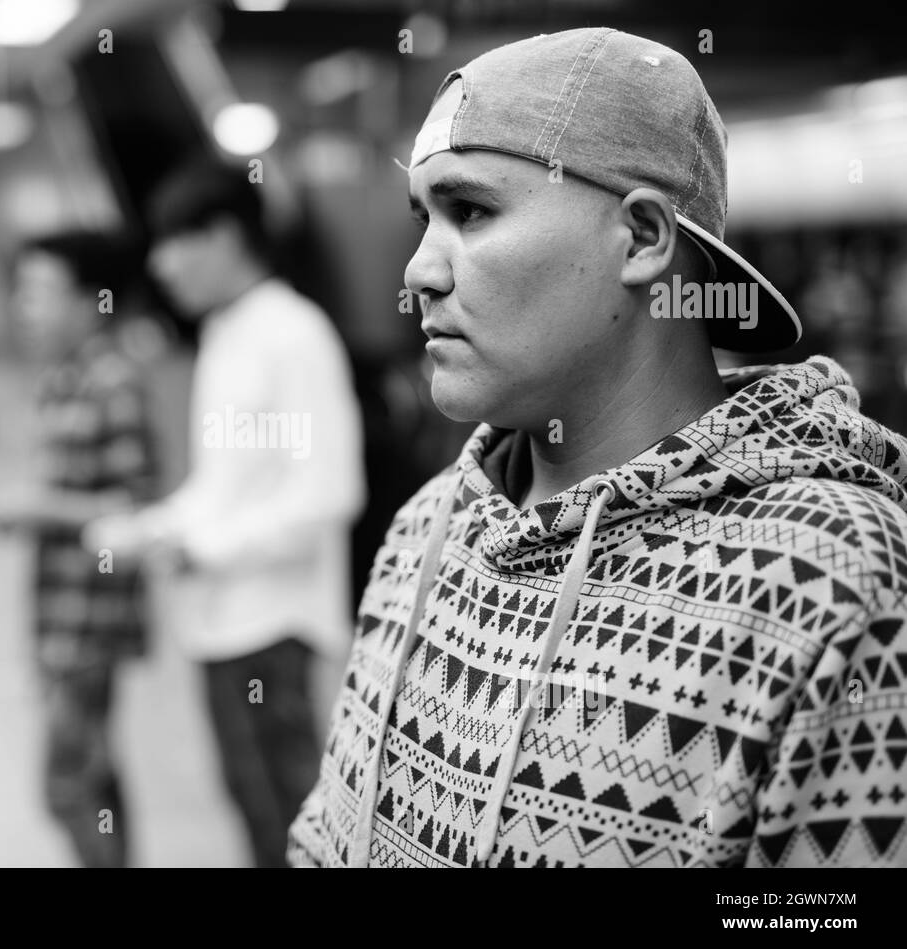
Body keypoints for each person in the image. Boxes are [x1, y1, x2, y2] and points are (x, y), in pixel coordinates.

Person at [289, 27, 907, 868]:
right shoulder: (426, 531)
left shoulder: (836, 580)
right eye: (422, 217)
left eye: (470, 211)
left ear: (645, 238)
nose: (418, 272)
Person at [85, 160, 366, 867]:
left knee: (290, 823)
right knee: (252, 809)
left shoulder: (293, 334)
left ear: (226, 236)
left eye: (177, 242)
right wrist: (156, 527)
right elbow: (224, 485)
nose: (161, 265)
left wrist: (202, 549)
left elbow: (328, 492)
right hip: (219, 626)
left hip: (273, 627)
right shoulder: (225, 333)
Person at [0, 231, 157, 867]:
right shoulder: (62, 380)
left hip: (94, 618)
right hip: (60, 609)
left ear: (92, 301)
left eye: (40, 291)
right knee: (94, 769)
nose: (23, 305)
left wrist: (35, 508)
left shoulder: (113, 382)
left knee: (67, 783)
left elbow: (135, 508)